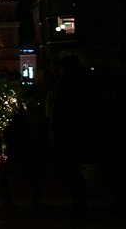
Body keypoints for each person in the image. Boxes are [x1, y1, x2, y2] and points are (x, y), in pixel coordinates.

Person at [46, 55, 88, 212]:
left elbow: (57, 112)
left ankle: (79, 198)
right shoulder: (75, 86)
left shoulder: (63, 87)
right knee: (71, 167)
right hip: (72, 132)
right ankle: (79, 197)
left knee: (69, 167)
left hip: (65, 133)